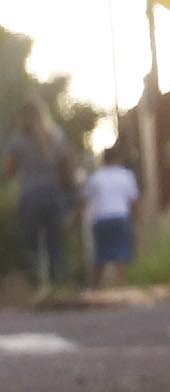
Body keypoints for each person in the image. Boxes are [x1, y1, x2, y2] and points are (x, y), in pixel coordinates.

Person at [6, 100, 76, 287]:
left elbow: (7, 171)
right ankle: (59, 286)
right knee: (56, 244)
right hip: (54, 195)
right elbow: (68, 167)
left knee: (32, 246)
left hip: (30, 197)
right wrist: (72, 196)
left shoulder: (18, 141)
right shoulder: (56, 136)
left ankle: (38, 287)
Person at [81, 144, 140, 290]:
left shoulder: (96, 177)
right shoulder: (126, 175)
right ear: (118, 159)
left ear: (104, 160)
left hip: (101, 219)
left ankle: (95, 287)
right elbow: (134, 201)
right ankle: (121, 284)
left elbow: (85, 198)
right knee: (121, 254)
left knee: (100, 255)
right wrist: (136, 221)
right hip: (120, 217)